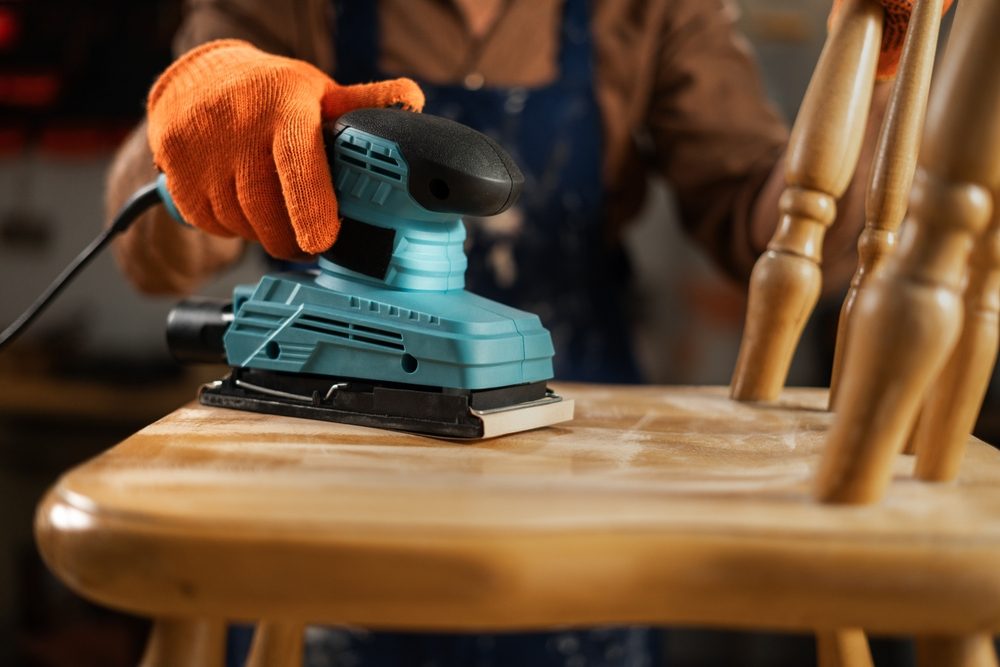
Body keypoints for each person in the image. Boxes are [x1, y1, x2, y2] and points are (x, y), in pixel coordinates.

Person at [105, 0, 937, 664]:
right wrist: (202, 104)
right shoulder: (283, 6)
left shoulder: (649, 10)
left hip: (574, 479)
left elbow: (781, 233)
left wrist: (867, 82)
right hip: (322, 480)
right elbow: (151, 253)